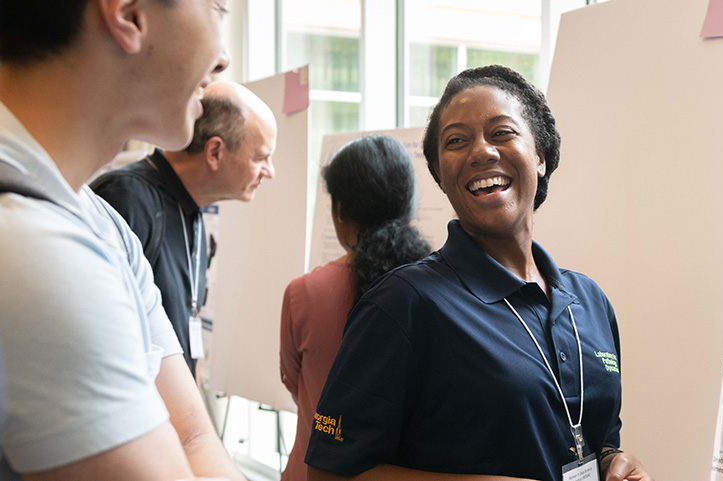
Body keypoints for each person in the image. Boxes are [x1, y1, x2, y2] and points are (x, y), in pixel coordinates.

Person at [305, 65, 653, 481]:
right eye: (456, 141)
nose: (481, 151)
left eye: (502, 132)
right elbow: (329, 473)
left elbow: (595, 437)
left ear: (540, 156)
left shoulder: (590, 301)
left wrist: (615, 461)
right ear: (441, 175)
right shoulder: (403, 303)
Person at [0, 1, 245, 480]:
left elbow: (192, 434)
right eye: (215, 7)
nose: (223, 58)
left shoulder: (99, 220)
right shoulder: (29, 243)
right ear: (128, 14)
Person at [92, 80, 278, 375]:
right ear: (215, 152)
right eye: (260, 157)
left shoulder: (191, 211)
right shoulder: (127, 199)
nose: (270, 171)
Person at [279, 134, 430, 481]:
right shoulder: (437, 288)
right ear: (408, 205)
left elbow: (294, 384)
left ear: (340, 211)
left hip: (313, 470)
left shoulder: (304, 293)